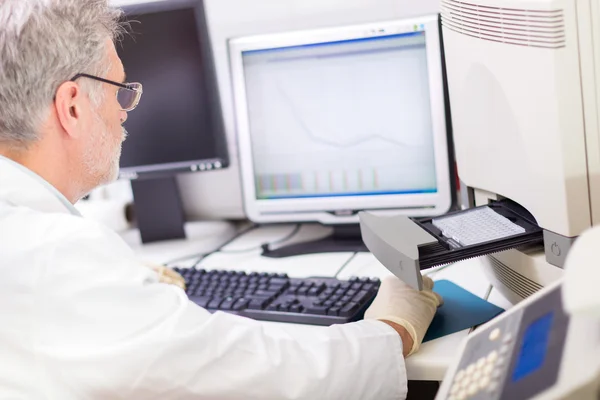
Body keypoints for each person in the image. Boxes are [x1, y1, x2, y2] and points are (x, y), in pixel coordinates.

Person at [0, 1, 443, 398]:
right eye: (120, 90)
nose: (123, 110)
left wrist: (121, 288)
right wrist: (391, 331)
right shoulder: (56, 258)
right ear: (72, 107)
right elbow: (257, 374)